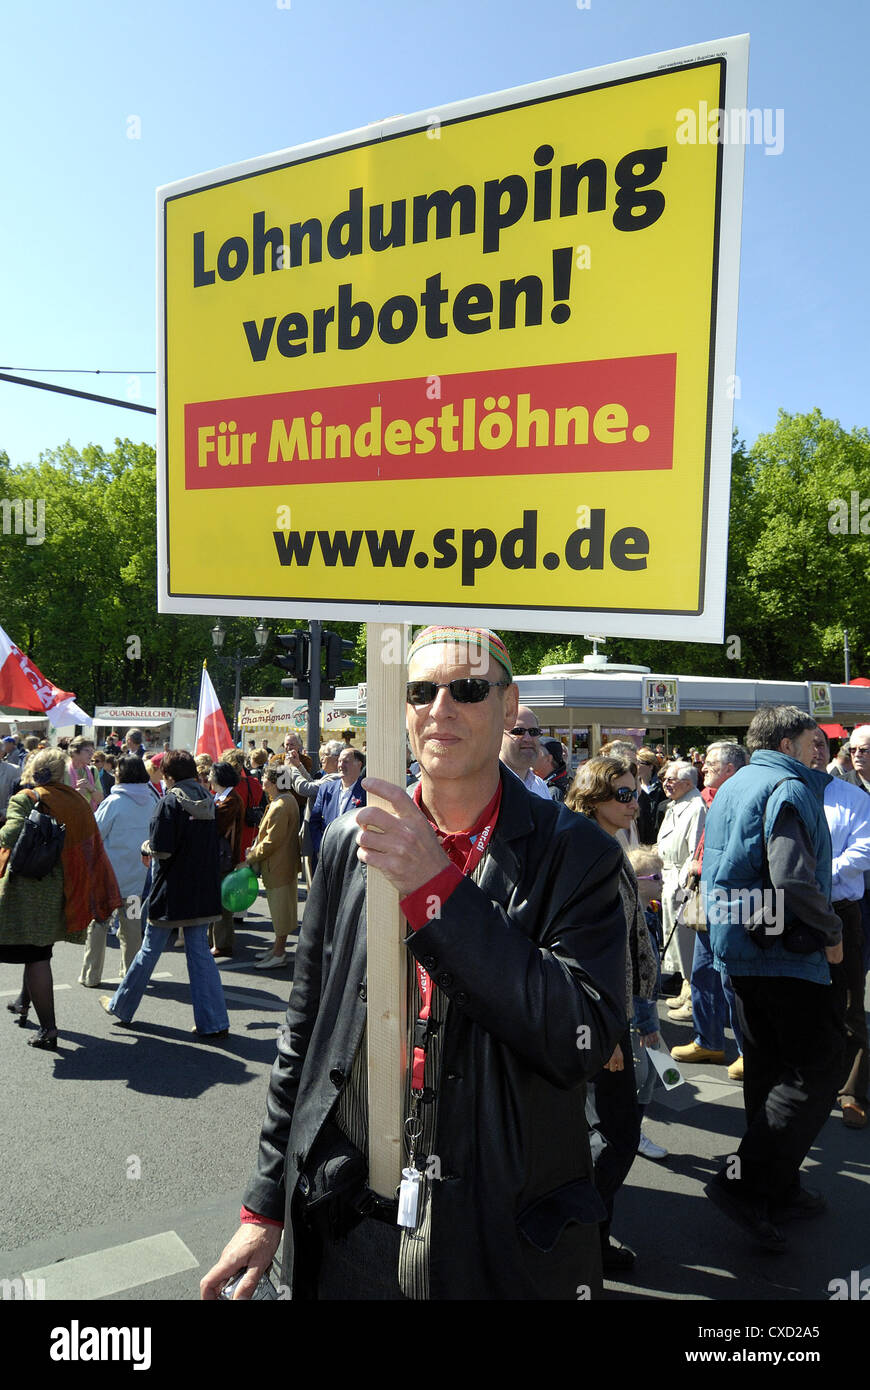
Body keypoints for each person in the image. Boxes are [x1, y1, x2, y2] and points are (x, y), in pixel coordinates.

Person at [201, 625, 626, 1301]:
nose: (440, 708)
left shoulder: (579, 855)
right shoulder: (350, 840)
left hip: (499, 1228)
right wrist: (262, 1206)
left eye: (466, 689)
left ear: (509, 706)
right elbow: (304, 1031)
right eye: (420, 690)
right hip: (350, 1218)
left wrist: (440, 890)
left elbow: (579, 1036)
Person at [702, 705, 845, 1251]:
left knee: (767, 1072)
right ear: (788, 743)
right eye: (814, 739)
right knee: (819, 1066)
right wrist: (832, 933)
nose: (821, 749)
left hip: (740, 950)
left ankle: (775, 1188)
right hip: (783, 954)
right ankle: (746, 1184)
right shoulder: (788, 788)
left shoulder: (737, 784)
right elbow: (791, 878)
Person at [566, 755, 658, 1270]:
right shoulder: (589, 850)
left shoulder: (606, 843)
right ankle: (586, 1242)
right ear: (593, 796)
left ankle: (588, 1238)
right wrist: (610, 1036)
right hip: (601, 1019)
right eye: (622, 794)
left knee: (603, 1133)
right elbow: (588, 951)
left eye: (635, 792)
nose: (634, 802)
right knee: (616, 1136)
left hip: (614, 1014)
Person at [100, 749, 228, 1039]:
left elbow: (161, 850)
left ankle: (122, 1006)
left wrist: (146, 846)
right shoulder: (209, 800)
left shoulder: (169, 802)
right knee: (200, 956)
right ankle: (214, 1021)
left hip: (171, 889)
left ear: (168, 776)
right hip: (202, 888)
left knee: (148, 950)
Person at [1, 748, 120, 1049]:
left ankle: (49, 1030)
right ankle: (22, 1003)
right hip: (65, 890)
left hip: (29, 891)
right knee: (39, 951)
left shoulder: (27, 798)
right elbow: (92, 846)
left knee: (37, 957)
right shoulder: (77, 802)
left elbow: (9, 837)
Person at [668, 743, 748, 1073]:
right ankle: (709, 1041)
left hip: (730, 897)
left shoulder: (742, 798)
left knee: (732, 979)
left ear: (731, 769)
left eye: (712, 763)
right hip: (703, 894)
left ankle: (748, 1051)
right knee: (702, 971)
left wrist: (699, 866)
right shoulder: (710, 798)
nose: (704, 768)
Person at [810, 727, 870, 1128]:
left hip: (850, 901)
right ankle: (836, 1081)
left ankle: (853, 1090)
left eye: (868, 748)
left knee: (857, 1000)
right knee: (844, 994)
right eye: (855, 748)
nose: (860, 753)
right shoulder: (838, 787)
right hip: (848, 903)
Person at [80, 756, 155, 987]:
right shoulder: (153, 799)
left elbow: (95, 834)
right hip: (137, 877)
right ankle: (131, 974)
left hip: (108, 878)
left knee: (99, 924)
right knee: (132, 928)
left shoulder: (114, 802)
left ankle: (91, 975)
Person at [656, 761, 706, 999]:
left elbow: (695, 850)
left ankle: (691, 992)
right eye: (664, 778)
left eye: (671, 779)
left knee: (685, 942)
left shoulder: (696, 807)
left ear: (687, 783)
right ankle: (684, 988)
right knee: (673, 938)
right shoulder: (676, 804)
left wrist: (683, 886)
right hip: (667, 877)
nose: (665, 783)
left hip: (681, 881)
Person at [246, 767, 301, 969]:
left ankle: (278, 953)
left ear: (275, 782)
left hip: (277, 865)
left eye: (265, 779)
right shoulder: (287, 800)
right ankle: (278, 949)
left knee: (280, 911)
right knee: (282, 910)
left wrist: (250, 856)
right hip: (283, 863)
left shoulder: (280, 804)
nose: (262, 781)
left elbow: (271, 842)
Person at [209, 762, 245, 958]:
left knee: (223, 904)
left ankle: (223, 944)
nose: (209, 780)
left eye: (211, 776)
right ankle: (216, 941)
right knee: (218, 902)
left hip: (225, 857)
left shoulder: (230, 800)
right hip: (221, 856)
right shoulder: (223, 797)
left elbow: (217, 825)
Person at [308, 747, 366, 863]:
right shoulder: (326, 789)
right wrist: (320, 848)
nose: (340, 765)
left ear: (359, 764)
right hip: (327, 856)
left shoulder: (366, 792)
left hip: (353, 858)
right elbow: (314, 822)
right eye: (339, 761)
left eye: (346, 761)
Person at [499, 705, 550, 798]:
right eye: (518, 731)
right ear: (498, 736)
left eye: (533, 731)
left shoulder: (540, 786)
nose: (528, 738)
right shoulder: (486, 787)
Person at [635, 747, 667, 843]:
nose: (637, 766)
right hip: (640, 837)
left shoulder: (661, 788)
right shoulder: (634, 788)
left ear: (650, 766)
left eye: (640, 763)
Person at [68, 735, 103, 812]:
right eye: (87, 750)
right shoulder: (62, 770)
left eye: (92, 751)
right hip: (67, 818)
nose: (91, 754)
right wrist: (75, 795)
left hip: (88, 818)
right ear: (75, 751)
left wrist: (90, 788)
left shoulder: (93, 770)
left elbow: (100, 800)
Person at [535, 737, 570, 802]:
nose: (531, 755)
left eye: (536, 753)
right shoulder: (536, 782)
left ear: (548, 758)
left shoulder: (553, 792)